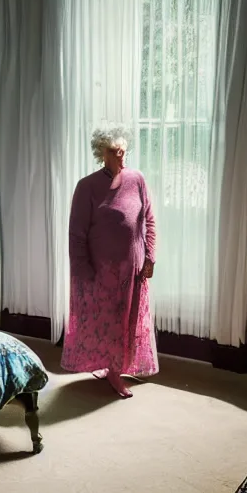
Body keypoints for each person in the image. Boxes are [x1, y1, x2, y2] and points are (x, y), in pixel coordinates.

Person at [60, 125, 158, 398]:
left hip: (133, 267)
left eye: (124, 151)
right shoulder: (87, 186)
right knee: (107, 321)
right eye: (116, 152)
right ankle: (112, 371)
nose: (121, 157)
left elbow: (148, 220)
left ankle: (116, 367)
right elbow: (76, 233)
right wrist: (82, 270)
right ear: (102, 153)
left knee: (127, 319)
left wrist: (150, 256)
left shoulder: (137, 179)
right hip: (101, 271)